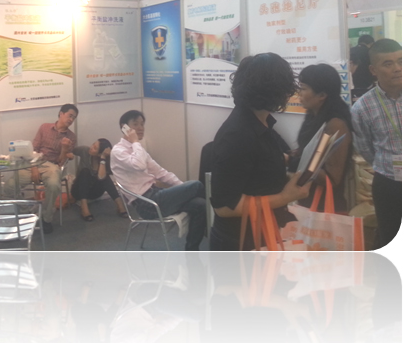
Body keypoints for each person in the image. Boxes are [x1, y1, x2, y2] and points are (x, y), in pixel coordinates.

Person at [210, 53, 311, 251]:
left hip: (262, 232)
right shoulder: (238, 134)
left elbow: (258, 166)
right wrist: (285, 197)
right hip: (240, 243)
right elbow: (224, 207)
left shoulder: (261, 123)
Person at [110, 110, 207, 251]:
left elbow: (161, 173)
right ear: (124, 127)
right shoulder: (118, 151)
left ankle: (191, 251)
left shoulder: (139, 150)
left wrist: (184, 190)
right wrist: (135, 142)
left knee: (200, 204)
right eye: (135, 124)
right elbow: (139, 165)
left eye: (142, 124)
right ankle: (214, 224)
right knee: (196, 185)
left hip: (156, 195)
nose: (140, 128)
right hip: (147, 204)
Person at [352, 39, 401, 248]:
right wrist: (385, 163)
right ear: (373, 70)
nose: (397, 68)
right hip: (388, 183)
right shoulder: (362, 107)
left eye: (401, 61)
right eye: (388, 64)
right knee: (390, 236)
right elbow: (365, 148)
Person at [288, 64, 353, 212]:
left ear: (322, 95)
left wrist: (292, 162)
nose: (299, 93)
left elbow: (332, 178)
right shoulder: (313, 117)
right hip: (308, 200)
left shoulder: (335, 125)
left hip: (326, 207)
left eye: (303, 88)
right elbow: (313, 157)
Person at [29, 104, 78, 234]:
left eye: (74, 118)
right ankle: (24, 215)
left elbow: (61, 162)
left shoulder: (71, 137)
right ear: (61, 114)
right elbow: (33, 150)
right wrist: (34, 167)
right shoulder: (44, 127)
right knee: (11, 185)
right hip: (35, 162)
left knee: (54, 185)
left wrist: (65, 149)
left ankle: (46, 218)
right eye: (70, 116)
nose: (71, 120)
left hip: (52, 166)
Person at [71, 138, 128, 221]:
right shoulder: (84, 150)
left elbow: (101, 177)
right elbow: (71, 150)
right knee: (85, 171)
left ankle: (120, 205)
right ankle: (84, 208)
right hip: (78, 191)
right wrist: (67, 154)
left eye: (95, 148)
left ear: (99, 154)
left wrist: (103, 158)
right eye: (93, 144)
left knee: (105, 176)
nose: (91, 148)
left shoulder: (106, 161)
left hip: (95, 192)